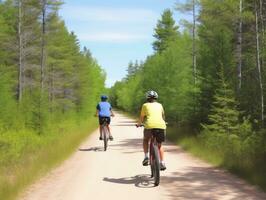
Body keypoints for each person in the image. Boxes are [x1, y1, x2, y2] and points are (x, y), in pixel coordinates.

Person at [137, 90, 167, 171]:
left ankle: (146, 156)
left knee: (146, 140)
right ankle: (162, 162)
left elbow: (142, 117)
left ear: (147, 98)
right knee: (159, 145)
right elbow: (163, 116)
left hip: (149, 126)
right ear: (156, 98)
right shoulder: (160, 105)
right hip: (161, 126)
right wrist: (164, 122)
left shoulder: (145, 105)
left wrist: (139, 124)